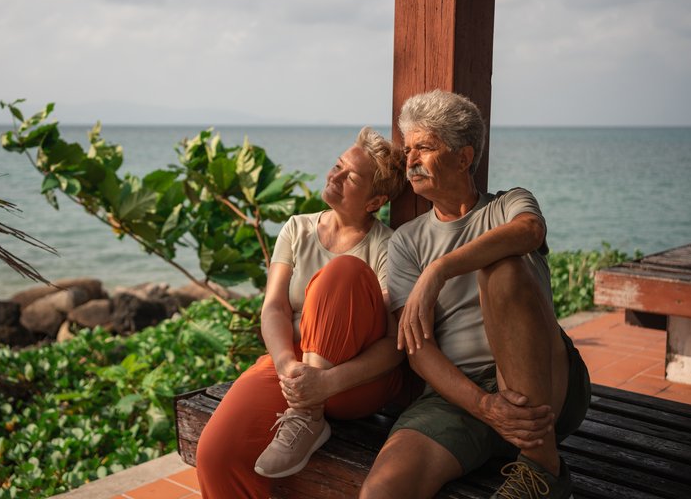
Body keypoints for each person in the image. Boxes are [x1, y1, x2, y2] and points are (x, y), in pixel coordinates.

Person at [360, 90, 590, 499]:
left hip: (549, 379)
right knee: (382, 491)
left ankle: (542, 469)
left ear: (463, 158)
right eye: (407, 148)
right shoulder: (407, 242)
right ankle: (504, 435)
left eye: (424, 147)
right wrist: (485, 406)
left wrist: (441, 268)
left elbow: (529, 232)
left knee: (502, 268)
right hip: (458, 395)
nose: (410, 159)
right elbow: (416, 346)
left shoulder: (508, 205)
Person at [196, 127, 407, 499]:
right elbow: (274, 306)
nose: (334, 177)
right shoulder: (298, 228)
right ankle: (303, 404)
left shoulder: (387, 246)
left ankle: (308, 416)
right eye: (337, 166)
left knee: (343, 271)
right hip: (293, 368)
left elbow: (393, 346)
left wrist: (323, 386)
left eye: (350, 176)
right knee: (216, 454)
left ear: (375, 201)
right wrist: (287, 368)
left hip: (354, 381)